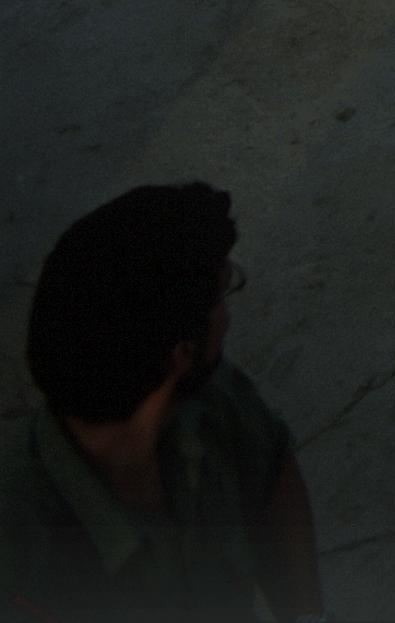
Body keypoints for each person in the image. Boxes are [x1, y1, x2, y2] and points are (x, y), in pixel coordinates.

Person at [3, 190, 317, 618]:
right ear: (181, 355)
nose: (226, 317)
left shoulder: (211, 403)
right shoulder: (25, 560)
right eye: (221, 298)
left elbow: (272, 468)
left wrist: (305, 616)